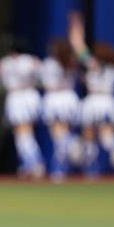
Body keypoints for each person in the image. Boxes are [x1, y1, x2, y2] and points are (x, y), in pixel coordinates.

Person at [68, 12, 114, 177]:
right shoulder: (112, 68)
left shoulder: (93, 64)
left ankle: (91, 169)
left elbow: (77, 45)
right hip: (108, 101)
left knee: (89, 135)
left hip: (95, 102)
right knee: (106, 133)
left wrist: (76, 26)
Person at [0, 36, 44, 178]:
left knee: (22, 133)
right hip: (31, 95)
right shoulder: (33, 61)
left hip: (15, 97)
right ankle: (27, 165)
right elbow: (41, 82)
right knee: (26, 132)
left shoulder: (3, 63)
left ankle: (33, 163)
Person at [40, 38, 81, 182]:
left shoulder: (49, 63)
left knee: (58, 137)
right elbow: (83, 56)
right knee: (61, 136)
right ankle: (59, 171)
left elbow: (43, 82)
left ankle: (71, 143)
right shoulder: (71, 61)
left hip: (54, 99)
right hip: (69, 98)